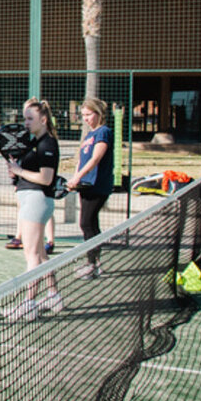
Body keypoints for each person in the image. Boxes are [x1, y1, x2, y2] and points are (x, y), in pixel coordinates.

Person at [2, 99, 63, 322]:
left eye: (30, 119)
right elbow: (28, 172)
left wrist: (20, 170)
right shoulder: (35, 143)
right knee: (41, 254)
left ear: (43, 120)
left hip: (37, 201)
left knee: (32, 256)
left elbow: (46, 179)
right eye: (25, 118)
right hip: (30, 198)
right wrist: (16, 172)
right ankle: (54, 295)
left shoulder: (47, 144)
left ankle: (29, 303)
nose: (25, 123)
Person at [67, 97, 114, 279]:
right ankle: (96, 263)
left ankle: (91, 264)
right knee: (90, 223)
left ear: (98, 113)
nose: (85, 118)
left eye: (88, 114)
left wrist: (78, 176)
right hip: (85, 185)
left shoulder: (103, 132)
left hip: (97, 185)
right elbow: (82, 159)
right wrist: (75, 177)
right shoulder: (89, 134)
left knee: (86, 223)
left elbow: (95, 159)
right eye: (83, 115)